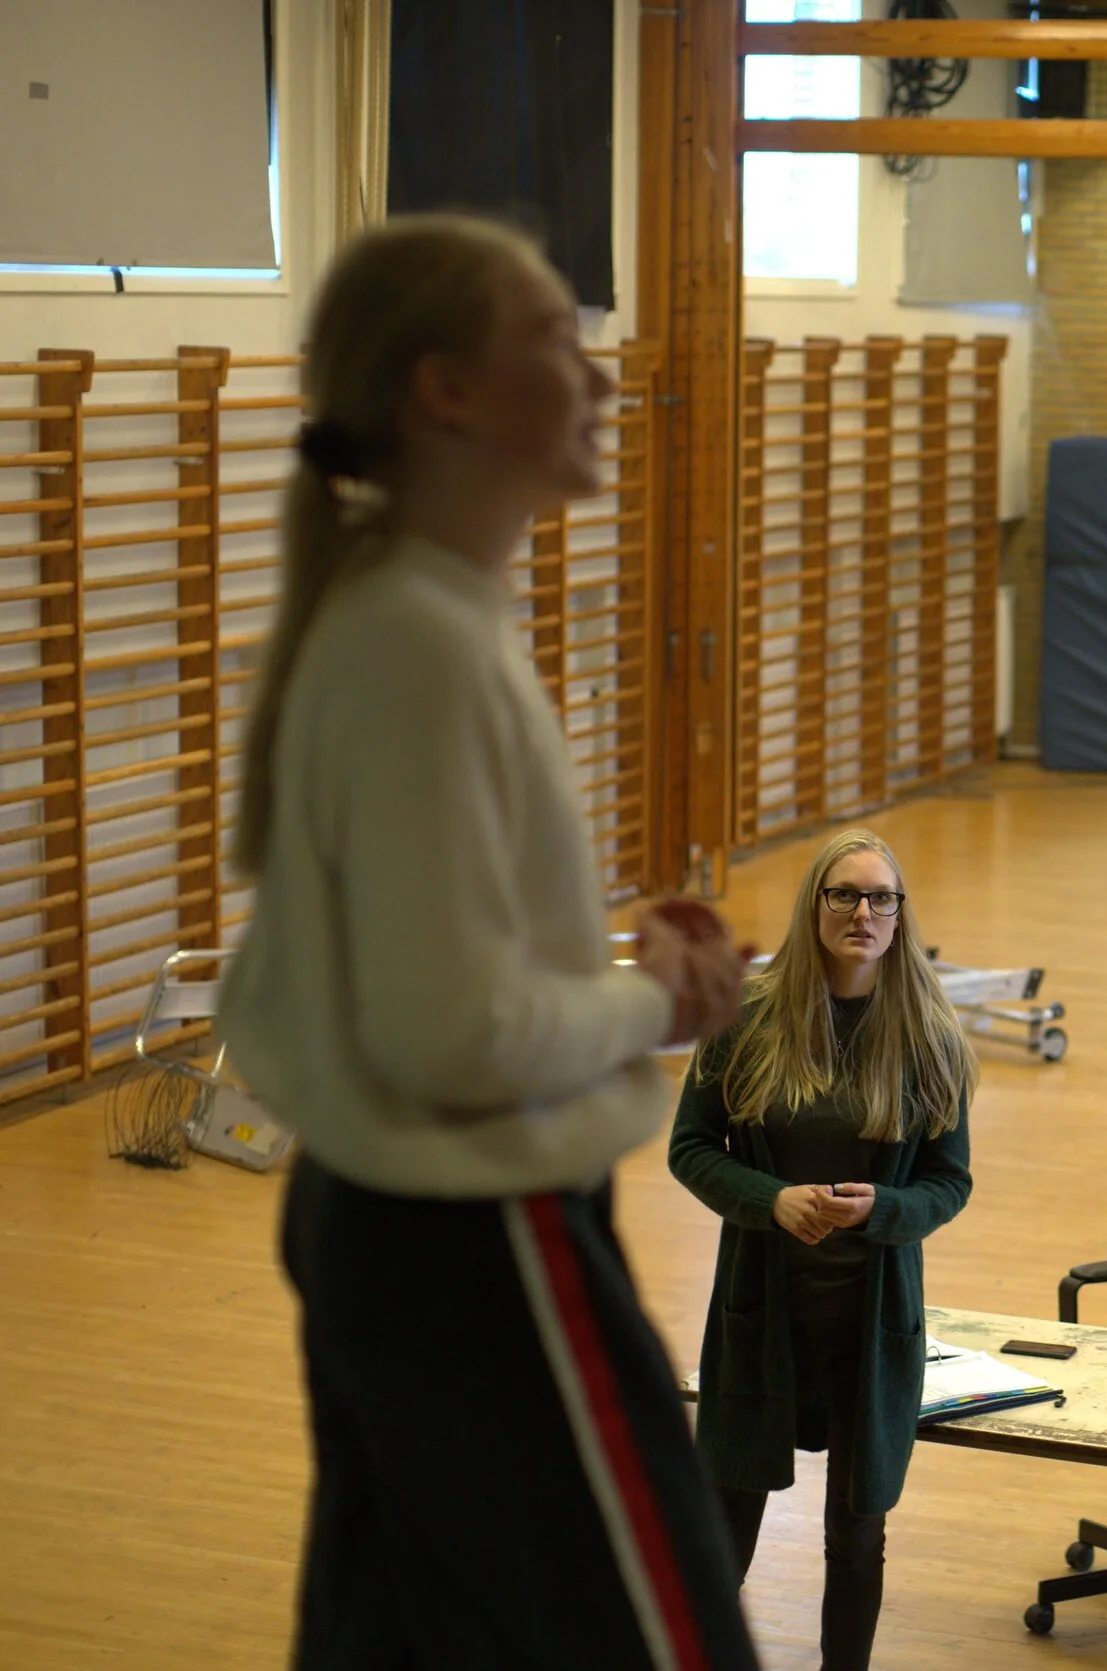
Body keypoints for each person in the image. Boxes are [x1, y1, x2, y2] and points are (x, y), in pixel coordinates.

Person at [220, 215, 760, 1670]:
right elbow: (449, 1035)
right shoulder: (418, 642)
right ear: (447, 390)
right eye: (554, 343)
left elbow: (400, 979)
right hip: (477, 1241)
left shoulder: (409, 618)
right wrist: (649, 1001)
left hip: (394, 1229)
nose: (598, 378)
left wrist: (603, 969)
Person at [668, 828, 978, 1671]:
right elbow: (690, 1148)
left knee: (857, 1534)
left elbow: (949, 1182)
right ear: (814, 905)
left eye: (881, 897)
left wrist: (886, 1207)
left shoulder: (931, 1036)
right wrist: (769, 1199)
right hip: (761, 1316)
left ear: (900, 914)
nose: (863, 912)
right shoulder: (745, 1019)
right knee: (725, 1521)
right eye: (844, 893)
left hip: (870, 1331)